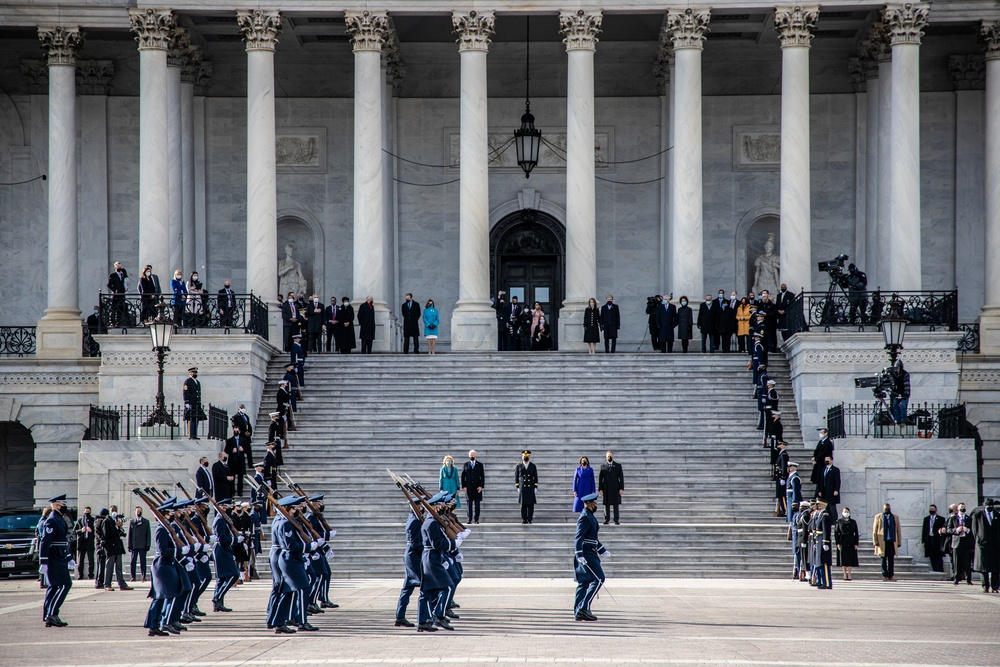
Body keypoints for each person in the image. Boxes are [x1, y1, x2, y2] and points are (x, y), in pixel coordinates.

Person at [39, 494, 75, 627]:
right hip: (54, 557)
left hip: (60, 555)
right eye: (62, 505)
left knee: (54, 586)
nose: (64, 508)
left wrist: (69, 557)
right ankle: (52, 614)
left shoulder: (60, 519)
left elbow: (63, 541)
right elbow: (45, 541)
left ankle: (48, 614)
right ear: (56, 505)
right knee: (65, 584)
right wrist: (43, 561)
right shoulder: (52, 520)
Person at [573, 492, 609, 621]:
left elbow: (593, 538)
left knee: (584, 582)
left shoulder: (589, 516)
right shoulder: (585, 517)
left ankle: (578, 610)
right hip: (586, 553)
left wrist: (602, 550)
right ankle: (584, 607)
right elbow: (578, 537)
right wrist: (579, 555)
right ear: (590, 504)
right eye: (595, 503)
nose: (596, 505)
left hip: (590, 551)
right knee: (599, 578)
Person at [395, 505, 423, 627]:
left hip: (412, 555)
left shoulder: (415, 518)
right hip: (413, 556)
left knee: (408, 587)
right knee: (427, 586)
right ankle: (426, 617)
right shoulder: (415, 521)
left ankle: (400, 616)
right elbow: (416, 543)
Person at [971, 498, 1000, 593]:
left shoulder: (997, 515)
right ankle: (985, 586)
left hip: (995, 545)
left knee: (995, 567)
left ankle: (995, 586)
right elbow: (974, 530)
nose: (990, 508)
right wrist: (978, 540)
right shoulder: (978, 515)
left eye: (991, 506)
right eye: (988, 506)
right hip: (983, 545)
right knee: (983, 567)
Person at [100, 507, 131, 591]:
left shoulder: (115, 521)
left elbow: (120, 534)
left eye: (115, 511)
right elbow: (107, 534)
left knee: (119, 567)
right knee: (109, 567)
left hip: (117, 547)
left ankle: (122, 584)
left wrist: (120, 527)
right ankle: (107, 584)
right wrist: (116, 527)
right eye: (112, 511)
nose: (114, 513)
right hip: (110, 547)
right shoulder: (106, 521)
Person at [872, 502, 901, 582]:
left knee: (891, 559)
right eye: (885, 508)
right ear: (883, 508)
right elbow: (875, 529)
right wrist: (875, 541)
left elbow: (898, 530)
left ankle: (891, 575)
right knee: (883, 559)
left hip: (891, 541)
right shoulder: (878, 517)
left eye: (888, 508)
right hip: (882, 541)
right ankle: (885, 575)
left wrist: (899, 541)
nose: (887, 509)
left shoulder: (895, 517)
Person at [948, 502, 975, 585]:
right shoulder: (953, 518)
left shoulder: (969, 518)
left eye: (964, 507)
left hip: (966, 542)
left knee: (967, 562)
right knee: (956, 561)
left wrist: (968, 530)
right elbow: (949, 529)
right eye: (961, 508)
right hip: (957, 542)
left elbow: (973, 529)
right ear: (958, 509)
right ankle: (956, 578)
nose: (962, 509)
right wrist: (956, 530)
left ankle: (968, 579)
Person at [598, 451, 624, 525]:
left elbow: (621, 478)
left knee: (616, 504)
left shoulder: (618, 466)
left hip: (615, 487)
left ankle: (616, 519)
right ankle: (607, 519)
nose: (609, 457)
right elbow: (600, 478)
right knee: (606, 504)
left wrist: (621, 488)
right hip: (606, 488)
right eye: (608, 456)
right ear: (606, 457)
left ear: (613, 457)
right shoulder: (603, 466)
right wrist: (600, 489)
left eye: (610, 456)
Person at [834, 507, 859, 581]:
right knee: (843, 558)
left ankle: (850, 573)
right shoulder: (839, 521)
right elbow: (836, 533)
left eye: (847, 511)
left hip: (851, 541)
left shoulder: (853, 521)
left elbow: (856, 532)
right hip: (842, 541)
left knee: (850, 558)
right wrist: (837, 543)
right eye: (845, 511)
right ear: (842, 513)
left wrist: (856, 543)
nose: (846, 513)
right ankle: (844, 573)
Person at [813, 499, 833, 590]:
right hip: (819, 539)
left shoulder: (825, 516)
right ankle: (822, 582)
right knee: (820, 562)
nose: (818, 507)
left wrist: (825, 541)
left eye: (819, 505)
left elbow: (826, 529)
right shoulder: (820, 515)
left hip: (823, 540)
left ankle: (827, 583)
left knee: (824, 563)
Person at [128, 506, 151, 582]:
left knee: (143, 561)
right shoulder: (132, 522)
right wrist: (129, 545)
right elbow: (129, 534)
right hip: (134, 545)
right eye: (137, 511)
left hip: (142, 545)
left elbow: (148, 534)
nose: (138, 512)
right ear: (135, 512)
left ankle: (143, 576)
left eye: (140, 511)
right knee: (133, 561)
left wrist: (148, 544)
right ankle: (133, 576)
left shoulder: (146, 522)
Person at [461, 450, 484, 524]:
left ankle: (476, 519)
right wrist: (463, 486)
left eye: (473, 455)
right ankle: (469, 519)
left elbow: (482, 477)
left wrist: (481, 486)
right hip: (469, 487)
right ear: (468, 456)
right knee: (469, 504)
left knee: (477, 504)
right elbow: (462, 476)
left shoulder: (480, 464)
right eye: (471, 455)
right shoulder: (466, 464)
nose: (472, 456)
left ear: (476, 456)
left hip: (477, 487)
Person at [922, 504, 947, 573]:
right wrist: (923, 541)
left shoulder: (941, 519)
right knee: (931, 556)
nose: (931, 510)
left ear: (936, 510)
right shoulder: (926, 519)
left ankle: (940, 570)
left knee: (938, 556)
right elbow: (924, 530)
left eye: (933, 509)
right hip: (929, 539)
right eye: (930, 509)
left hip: (937, 540)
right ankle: (935, 570)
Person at [515, 450, 538, 524]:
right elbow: (516, 477)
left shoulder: (533, 466)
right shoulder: (519, 466)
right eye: (524, 457)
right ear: (522, 457)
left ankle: (530, 519)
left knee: (530, 505)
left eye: (527, 457)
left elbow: (535, 477)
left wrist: (535, 486)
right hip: (523, 487)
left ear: (529, 457)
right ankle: (524, 519)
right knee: (523, 504)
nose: (526, 458)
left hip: (530, 487)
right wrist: (517, 486)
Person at [224, 426, 247, 497]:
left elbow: (248, 450)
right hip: (232, 462)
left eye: (237, 431)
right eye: (234, 431)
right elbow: (226, 450)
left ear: (239, 432)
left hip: (240, 461)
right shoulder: (229, 440)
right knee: (232, 477)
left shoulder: (243, 440)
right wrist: (232, 450)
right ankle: (232, 491)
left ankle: (240, 491)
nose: (236, 432)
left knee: (240, 478)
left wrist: (243, 449)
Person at [811, 428, 834, 497]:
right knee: (818, 480)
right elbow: (816, 451)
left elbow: (825, 453)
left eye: (821, 432)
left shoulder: (828, 443)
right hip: (818, 464)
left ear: (826, 433)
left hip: (822, 464)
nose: (820, 434)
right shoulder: (820, 442)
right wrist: (814, 458)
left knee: (821, 480)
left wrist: (816, 458)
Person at [73, 507, 95, 580]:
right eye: (86, 511)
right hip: (82, 542)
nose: (87, 513)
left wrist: (91, 530)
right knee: (80, 559)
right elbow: (74, 530)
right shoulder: (80, 521)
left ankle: (91, 574)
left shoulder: (93, 520)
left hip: (90, 542)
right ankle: (80, 575)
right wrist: (81, 530)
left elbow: (97, 531)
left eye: (88, 511)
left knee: (91, 559)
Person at [182, 366, 202, 440]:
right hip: (191, 404)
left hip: (196, 404)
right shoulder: (188, 381)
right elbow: (185, 392)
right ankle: (190, 435)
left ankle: (194, 434)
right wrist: (186, 402)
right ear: (190, 373)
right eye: (193, 372)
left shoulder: (197, 382)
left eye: (196, 372)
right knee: (191, 420)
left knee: (196, 419)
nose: (195, 373)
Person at [107, 261, 129, 326]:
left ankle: (119, 321)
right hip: (116, 295)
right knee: (114, 308)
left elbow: (125, 282)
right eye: (118, 266)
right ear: (115, 267)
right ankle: (113, 322)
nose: (119, 267)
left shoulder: (122, 275)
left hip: (122, 294)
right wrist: (114, 290)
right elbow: (109, 285)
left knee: (121, 308)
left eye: (120, 266)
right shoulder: (112, 275)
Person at [890, 360, 911, 425]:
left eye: (897, 368)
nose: (896, 370)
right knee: (895, 406)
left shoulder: (905, 374)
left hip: (903, 393)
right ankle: (897, 420)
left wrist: (905, 394)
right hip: (896, 393)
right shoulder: (893, 374)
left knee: (903, 406)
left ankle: (903, 421)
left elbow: (906, 385)